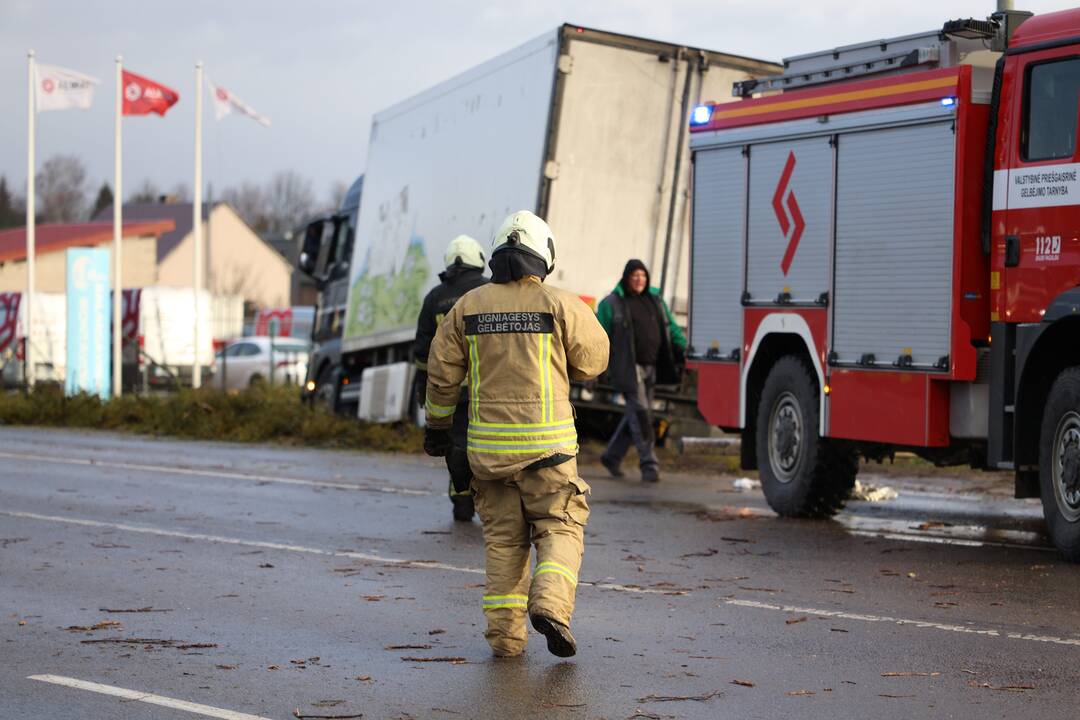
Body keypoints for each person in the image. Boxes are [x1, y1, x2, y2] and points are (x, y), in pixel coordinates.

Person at [424, 211, 609, 658]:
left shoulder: (467, 307)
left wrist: (438, 428)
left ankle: (506, 641)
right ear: (542, 255)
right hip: (549, 456)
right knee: (561, 528)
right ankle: (549, 605)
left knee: (505, 546)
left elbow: (441, 375)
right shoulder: (560, 304)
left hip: (488, 458)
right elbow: (593, 361)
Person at [413, 234, 489, 521]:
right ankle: (491, 498)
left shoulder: (435, 297)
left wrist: (423, 387)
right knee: (488, 444)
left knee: (456, 445)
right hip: (487, 387)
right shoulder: (490, 290)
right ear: (479, 260)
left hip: (451, 388)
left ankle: (462, 501)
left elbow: (423, 349)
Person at [596, 259, 687, 483]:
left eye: (643, 276)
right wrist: (593, 368)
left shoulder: (655, 301)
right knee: (640, 414)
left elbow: (671, 329)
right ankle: (649, 463)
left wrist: (686, 349)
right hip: (628, 368)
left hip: (652, 367)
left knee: (636, 414)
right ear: (626, 277)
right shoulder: (612, 303)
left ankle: (611, 456)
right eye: (635, 275)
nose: (639, 280)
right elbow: (597, 336)